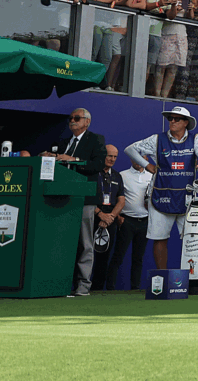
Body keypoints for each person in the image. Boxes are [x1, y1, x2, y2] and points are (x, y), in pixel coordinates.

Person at [123, 107, 198, 271]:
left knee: (192, 239)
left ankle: (192, 276)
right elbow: (130, 149)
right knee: (159, 238)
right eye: (170, 118)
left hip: (187, 197)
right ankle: (162, 277)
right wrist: (147, 164)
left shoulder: (195, 139)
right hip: (160, 195)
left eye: (177, 119)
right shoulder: (157, 139)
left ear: (186, 122)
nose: (172, 121)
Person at [42, 109, 106, 296]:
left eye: (76, 119)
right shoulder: (63, 143)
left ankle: (83, 285)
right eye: (70, 119)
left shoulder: (96, 140)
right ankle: (58, 282)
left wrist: (74, 159)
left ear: (87, 122)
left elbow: (97, 165)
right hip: (62, 196)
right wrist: (51, 157)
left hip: (84, 198)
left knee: (86, 243)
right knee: (61, 241)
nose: (72, 121)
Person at [107, 161, 152, 290]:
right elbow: (115, 196)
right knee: (118, 255)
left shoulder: (151, 176)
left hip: (145, 221)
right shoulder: (122, 175)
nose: (138, 161)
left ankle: (135, 287)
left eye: (141, 158)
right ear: (131, 159)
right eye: (135, 158)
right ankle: (110, 287)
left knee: (138, 257)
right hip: (126, 221)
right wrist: (118, 216)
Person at [90, 145, 126, 291]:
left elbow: (121, 200)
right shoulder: (92, 173)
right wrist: (100, 214)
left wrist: (110, 217)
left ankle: (98, 288)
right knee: (86, 253)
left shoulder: (117, 176)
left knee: (104, 256)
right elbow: (85, 198)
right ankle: (80, 286)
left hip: (110, 221)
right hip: (92, 217)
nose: (112, 159)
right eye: (109, 156)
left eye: (115, 157)